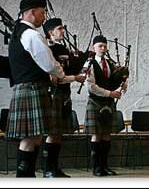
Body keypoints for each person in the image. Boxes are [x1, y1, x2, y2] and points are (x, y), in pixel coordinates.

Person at [6, 0, 65, 177]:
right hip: (32, 88)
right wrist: (60, 73)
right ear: (32, 12)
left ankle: (27, 176)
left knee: (33, 137)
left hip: (25, 88)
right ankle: (25, 177)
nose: (44, 16)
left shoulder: (19, 33)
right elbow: (48, 64)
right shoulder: (31, 34)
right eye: (42, 12)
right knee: (31, 138)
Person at [41, 18, 86, 177]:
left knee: (58, 133)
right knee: (53, 133)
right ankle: (48, 170)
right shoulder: (47, 49)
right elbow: (54, 77)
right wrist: (74, 78)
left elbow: (69, 70)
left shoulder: (63, 48)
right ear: (50, 32)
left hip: (65, 94)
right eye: (59, 29)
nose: (63, 31)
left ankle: (55, 168)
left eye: (63, 28)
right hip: (54, 94)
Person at [83, 35, 128, 176]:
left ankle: (105, 166)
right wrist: (110, 94)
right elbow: (91, 87)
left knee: (107, 135)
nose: (103, 48)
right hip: (96, 102)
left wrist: (123, 82)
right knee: (96, 135)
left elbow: (115, 79)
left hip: (108, 103)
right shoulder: (88, 64)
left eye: (104, 46)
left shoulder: (110, 63)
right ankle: (96, 167)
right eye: (100, 46)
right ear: (93, 48)